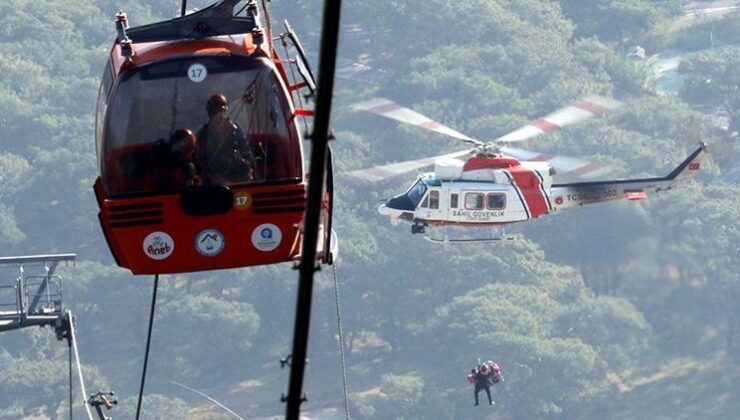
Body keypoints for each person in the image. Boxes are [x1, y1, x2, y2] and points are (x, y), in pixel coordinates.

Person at [196, 93, 252, 184]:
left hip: (237, 179)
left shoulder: (234, 130)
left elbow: (247, 153)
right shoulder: (202, 133)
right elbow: (199, 160)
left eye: (221, 112)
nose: (219, 117)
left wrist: (245, 166)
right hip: (211, 183)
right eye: (215, 112)